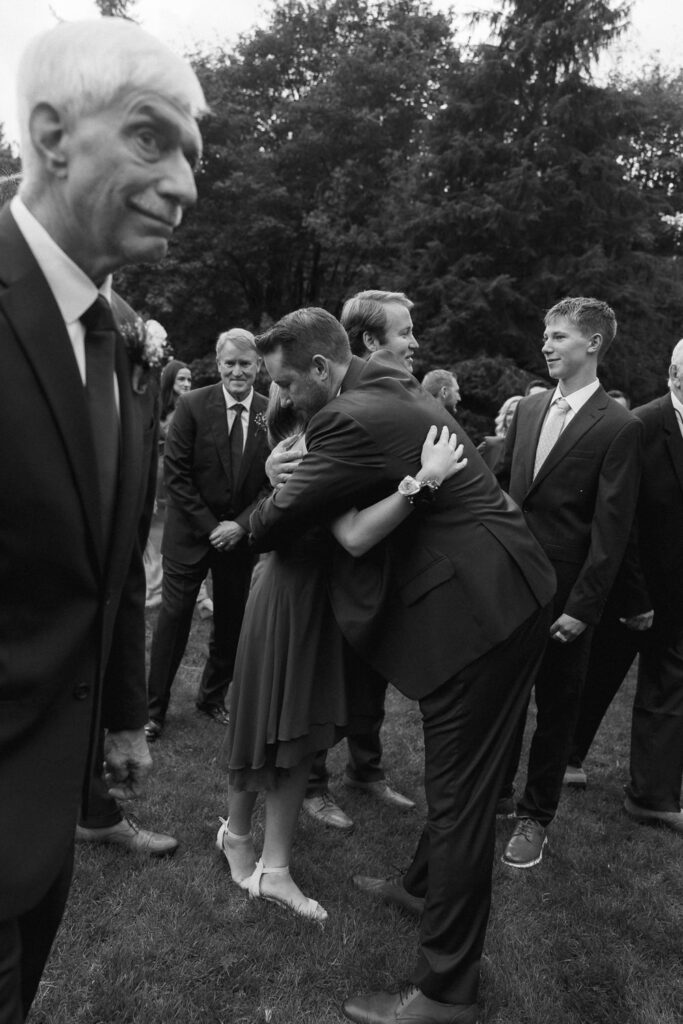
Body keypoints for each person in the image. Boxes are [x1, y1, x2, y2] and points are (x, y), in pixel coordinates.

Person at [249, 307, 555, 1024]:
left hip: (477, 615)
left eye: (287, 383)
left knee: (460, 801)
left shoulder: (344, 419)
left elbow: (273, 522)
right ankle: (420, 887)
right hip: (512, 587)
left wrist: (269, 477)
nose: (282, 397)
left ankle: (445, 992)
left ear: (321, 368)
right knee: (470, 781)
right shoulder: (386, 381)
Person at [0, 17, 205, 1021]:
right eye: (152, 138)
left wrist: (123, 715)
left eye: (192, 156)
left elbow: (110, 563)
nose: (185, 185)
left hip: (40, 833)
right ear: (51, 136)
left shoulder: (117, 340)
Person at [218, 386, 465, 923]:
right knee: (285, 727)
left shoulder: (310, 442)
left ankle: (244, 842)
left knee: (276, 722)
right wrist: (424, 481)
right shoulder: (316, 448)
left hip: (306, 594)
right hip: (294, 597)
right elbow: (353, 535)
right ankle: (263, 861)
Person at [496, 297, 642, 868]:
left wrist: (583, 606)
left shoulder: (620, 425)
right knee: (503, 699)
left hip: (566, 598)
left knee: (556, 709)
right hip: (510, 586)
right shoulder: (530, 409)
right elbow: (507, 496)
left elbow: (612, 530)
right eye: (546, 335)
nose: (546, 345)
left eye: (558, 336)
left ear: (593, 343)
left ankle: (535, 816)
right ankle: (496, 795)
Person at [301, 290, 421, 830]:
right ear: (370, 341)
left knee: (374, 676)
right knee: (327, 680)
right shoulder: (329, 402)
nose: (415, 343)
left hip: (386, 561)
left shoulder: (400, 392)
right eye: (405, 333)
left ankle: (366, 770)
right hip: (335, 565)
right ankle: (311, 783)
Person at [145, 328, 270, 739]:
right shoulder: (192, 405)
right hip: (190, 535)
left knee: (231, 621)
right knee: (174, 620)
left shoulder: (269, 412)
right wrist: (212, 527)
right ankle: (153, 710)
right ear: (218, 364)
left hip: (239, 538)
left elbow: (273, 482)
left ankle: (212, 698)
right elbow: (177, 476)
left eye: (245, 364)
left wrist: (240, 525)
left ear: (258, 366)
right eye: (230, 363)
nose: (237, 371)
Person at [622, 339, 683, 833]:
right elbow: (623, 521)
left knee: (669, 689)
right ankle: (648, 796)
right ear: (676, 374)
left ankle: (655, 793)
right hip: (643, 591)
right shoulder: (642, 424)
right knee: (595, 684)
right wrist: (635, 595)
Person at [144, 352, 191, 609]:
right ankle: (152, 587)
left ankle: (188, 592)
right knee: (152, 529)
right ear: (170, 380)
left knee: (174, 528)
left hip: (176, 474)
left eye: (189, 379)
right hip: (155, 473)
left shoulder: (190, 408)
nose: (186, 384)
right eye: (181, 379)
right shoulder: (158, 407)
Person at [477, 394, 523, 474]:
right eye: (509, 413)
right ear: (504, 418)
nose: (513, 417)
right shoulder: (490, 445)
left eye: (518, 413)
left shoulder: (532, 449)